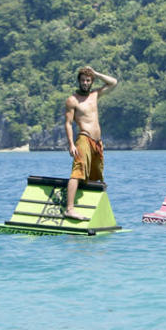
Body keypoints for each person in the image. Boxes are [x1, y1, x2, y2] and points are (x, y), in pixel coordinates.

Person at [64, 66, 117, 220]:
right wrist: (71, 144)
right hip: (83, 139)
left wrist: (96, 73)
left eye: (88, 80)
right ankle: (70, 209)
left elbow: (113, 83)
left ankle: (90, 206)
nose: (85, 83)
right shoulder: (72, 100)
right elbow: (68, 123)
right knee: (78, 171)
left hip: (97, 142)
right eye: (83, 80)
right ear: (79, 81)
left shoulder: (95, 95)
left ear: (91, 81)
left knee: (96, 173)